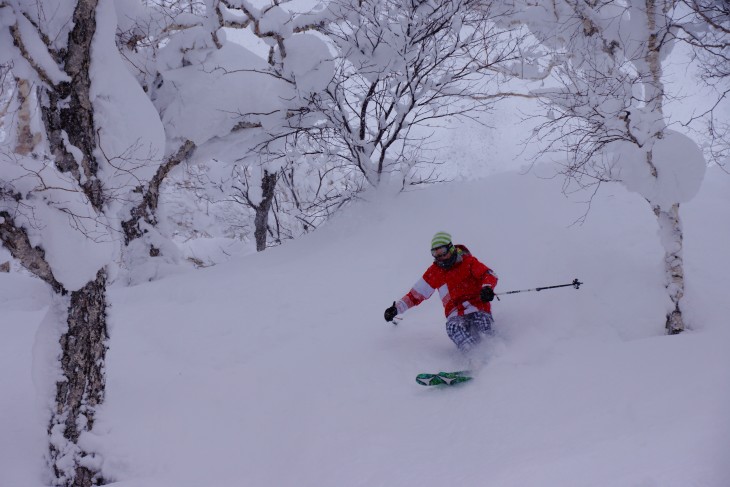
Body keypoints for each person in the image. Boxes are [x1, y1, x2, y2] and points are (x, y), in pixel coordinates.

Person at [384, 231, 498, 353]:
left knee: (482, 321)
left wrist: (487, 288)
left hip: (478, 306)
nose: (440, 257)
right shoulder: (435, 272)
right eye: (435, 254)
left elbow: (488, 274)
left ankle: (494, 349)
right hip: (455, 313)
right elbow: (415, 295)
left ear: (451, 248)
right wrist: (397, 308)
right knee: (453, 327)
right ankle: (474, 356)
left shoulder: (469, 262)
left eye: (442, 252)